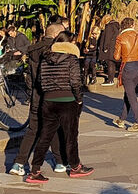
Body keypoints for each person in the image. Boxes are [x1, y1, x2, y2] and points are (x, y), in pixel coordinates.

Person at [25, 31, 94, 183]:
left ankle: (35, 170)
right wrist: (79, 99)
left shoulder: (45, 59)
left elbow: (41, 82)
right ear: (69, 43)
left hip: (48, 101)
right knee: (71, 136)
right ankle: (75, 167)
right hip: (67, 100)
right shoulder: (72, 59)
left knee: (45, 136)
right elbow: (76, 82)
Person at [8, 24, 66, 176]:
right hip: (52, 95)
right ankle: (59, 162)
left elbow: (29, 76)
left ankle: (19, 163)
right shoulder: (55, 49)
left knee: (33, 130)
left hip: (36, 94)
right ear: (56, 35)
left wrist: (31, 92)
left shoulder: (33, 49)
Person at [112, 17, 138, 132]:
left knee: (131, 96)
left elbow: (116, 56)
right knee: (129, 94)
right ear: (133, 25)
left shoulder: (121, 37)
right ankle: (122, 118)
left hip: (127, 67)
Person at [97, 17, 120, 86]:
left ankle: (110, 80)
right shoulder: (116, 26)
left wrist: (105, 47)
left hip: (109, 48)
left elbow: (107, 37)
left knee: (110, 63)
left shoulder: (109, 26)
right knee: (112, 64)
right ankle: (111, 79)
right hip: (114, 47)